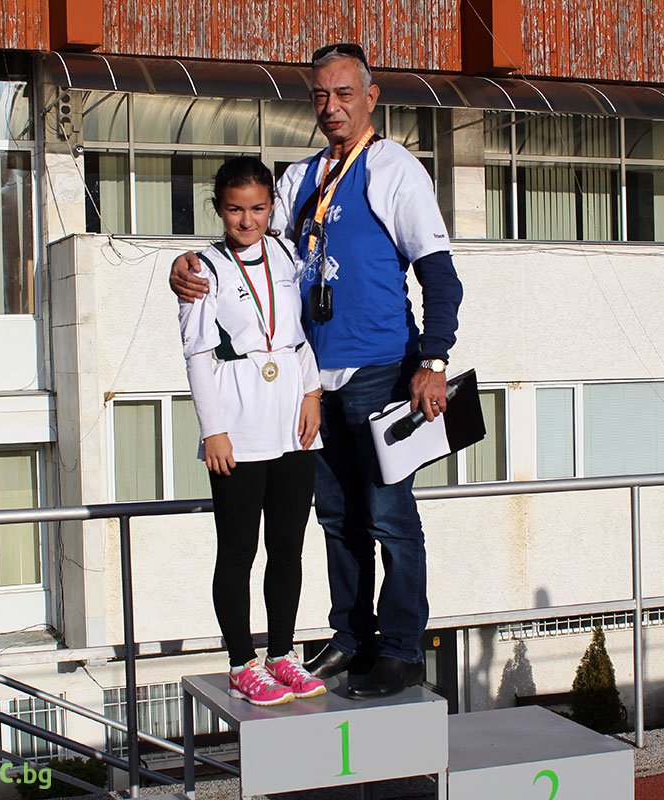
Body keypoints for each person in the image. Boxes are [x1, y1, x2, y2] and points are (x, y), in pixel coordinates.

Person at [172, 44, 463, 700]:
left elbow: (440, 275)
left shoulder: (394, 169)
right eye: (320, 96)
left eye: (344, 93)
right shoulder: (299, 177)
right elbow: (249, 244)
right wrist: (186, 266)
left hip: (381, 369)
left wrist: (433, 359)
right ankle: (350, 635)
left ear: (371, 96)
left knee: (389, 517)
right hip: (311, 383)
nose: (332, 107)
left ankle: (401, 648)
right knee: (334, 518)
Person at [177, 156, 327, 706]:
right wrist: (213, 430)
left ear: (271, 208)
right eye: (236, 210)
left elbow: (299, 335)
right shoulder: (203, 270)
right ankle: (242, 662)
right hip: (237, 425)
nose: (248, 220)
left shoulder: (287, 254)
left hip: (292, 420)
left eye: (258, 208)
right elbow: (197, 355)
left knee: (287, 547)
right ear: (219, 209)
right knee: (238, 550)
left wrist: (312, 394)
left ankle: (282, 654)